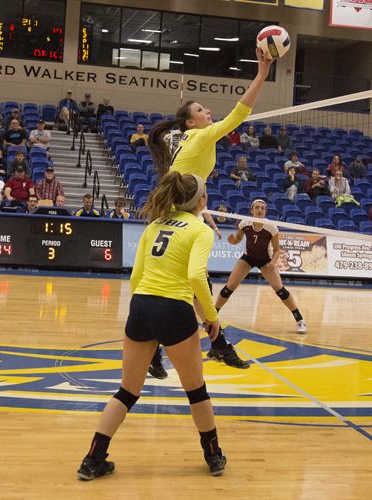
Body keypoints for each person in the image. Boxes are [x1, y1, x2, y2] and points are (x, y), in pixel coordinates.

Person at [76, 172, 226, 480]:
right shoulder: (200, 229)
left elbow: (135, 276)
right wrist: (211, 317)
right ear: (201, 201)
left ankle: (92, 460)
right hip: (173, 308)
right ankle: (213, 455)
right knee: (196, 390)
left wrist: (145, 312)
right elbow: (197, 277)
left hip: (141, 304)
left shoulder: (154, 223)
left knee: (127, 391)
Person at [143, 46, 272, 372]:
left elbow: (183, 174)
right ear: (192, 122)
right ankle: (206, 347)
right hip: (182, 219)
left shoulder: (186, 140)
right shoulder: (199, 137)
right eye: (201, 109)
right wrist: (261, 74)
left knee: (188, 289)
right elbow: (239, 115)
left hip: (175, 216)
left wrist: (204, 215)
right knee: (189, 287)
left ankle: (213, 346)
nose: (208, 110)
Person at [217, 199, 307, 334]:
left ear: (265, 212)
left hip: (265, 261)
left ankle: (299, 319)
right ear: (251, 210)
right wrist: (232, 241)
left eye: (262, 208)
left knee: (280, 290)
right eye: (257, 208)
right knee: (228, 288)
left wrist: (272, 263)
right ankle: (212, 316)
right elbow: (238, 240)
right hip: (248, 258)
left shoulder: (271, 228)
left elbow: (277, 250)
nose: (259, 210)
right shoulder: (244, 223)